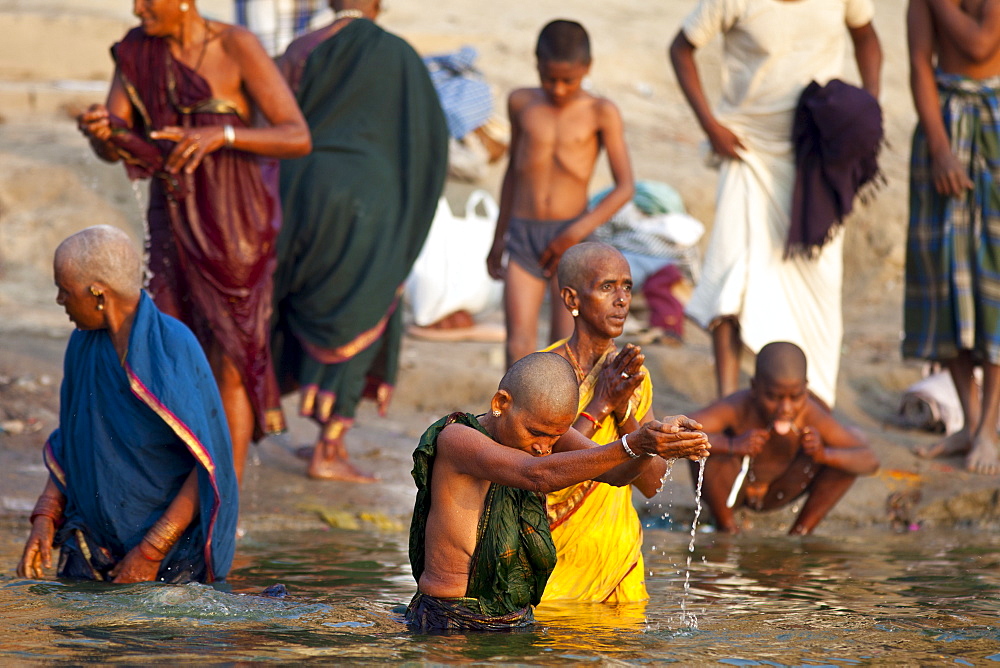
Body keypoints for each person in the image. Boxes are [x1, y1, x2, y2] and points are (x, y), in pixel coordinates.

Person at [75, 0, 312, 486]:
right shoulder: (138, 49)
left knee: (232, 353)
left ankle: (228, 496)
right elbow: (115, 139)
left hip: (236, 222)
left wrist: (219, 134)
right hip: (172, 215)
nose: (138, 8)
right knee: (169, 342)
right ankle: (180, 481)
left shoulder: (235, 44)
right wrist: (100, 133)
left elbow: (297, 136)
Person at [669, 0, 882, 407]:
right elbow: (681, 48)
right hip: (746, 151)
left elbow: (867, 37)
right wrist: (710, 126)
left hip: (817, 157)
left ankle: (815, 405)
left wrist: (867, 107)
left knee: (817, 284)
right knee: (732, 280)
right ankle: (728, 400)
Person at [405, 352, 710, 631]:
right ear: (501, 404)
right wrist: (635, 443)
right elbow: (535, 474)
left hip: (514, 619)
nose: (544, 447)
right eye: (536, 433)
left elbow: (617, 473)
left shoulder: (548, 434)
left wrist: (654, 445)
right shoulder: (458, 439)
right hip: (449, 622)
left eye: (555, 437)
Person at [273, 0, 448, 481]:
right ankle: (329, 449)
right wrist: (407, 215)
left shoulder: (302, 48)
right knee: (366, 303)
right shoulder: (402, 56)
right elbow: (431, 142)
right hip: (372, 202)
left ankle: (252, 424)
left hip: (297, 193)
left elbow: (271, 118)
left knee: (283, 300)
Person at [17, 226, 237, 584]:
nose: (59, 300)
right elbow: (72, 439)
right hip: (91, 546)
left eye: (64, 290)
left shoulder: (173, 347)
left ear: (98, 294)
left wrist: (150, 551)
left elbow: (207, 463)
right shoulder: (81, 345)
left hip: (171, 559)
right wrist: (44, 519)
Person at [486, 19, 635, 368]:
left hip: (572, 238)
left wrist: (574, 233)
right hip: (523, 235)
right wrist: (499, 236)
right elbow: (513, 172)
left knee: (567, 350)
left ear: (587, 69)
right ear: (536, 64)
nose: (559, 88)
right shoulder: (522, 103)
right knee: (517, 346)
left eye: (569, 80)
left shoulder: (601, 112)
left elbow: (625, 186)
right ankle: (513, 421)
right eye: (549, 78)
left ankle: (564, 423)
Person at [538, 242, 666, 603]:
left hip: (617, 568)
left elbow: (653, 482)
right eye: (607, 287)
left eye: (627, 286)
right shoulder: (543, 372)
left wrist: (623, 409)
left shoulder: (634, 376)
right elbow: (540, 469)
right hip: (554, 568)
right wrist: (601, 403)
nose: (622, 299)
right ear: (572, 299)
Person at [904, 0, 1000, 474]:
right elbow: (920, 65)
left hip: (994, 126)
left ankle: (989, 428)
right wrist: (940, 150)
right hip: (941, 131)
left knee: (993, 283)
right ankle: (968, 420)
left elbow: (981, 43)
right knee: (945, 281)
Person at [689, 342, 878, 535]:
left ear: (806, 390)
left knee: (845, 462)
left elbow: (869, 461)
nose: (786, 408)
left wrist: (823, 454)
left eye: (795, 397)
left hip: (781, 490)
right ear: (754, 388)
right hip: (735, 490)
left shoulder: (809, 414)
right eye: (774, 397)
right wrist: (731, 445)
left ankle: (800, 533)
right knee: (705, 449)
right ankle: (727, 529)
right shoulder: (738, 407)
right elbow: (682, 433)